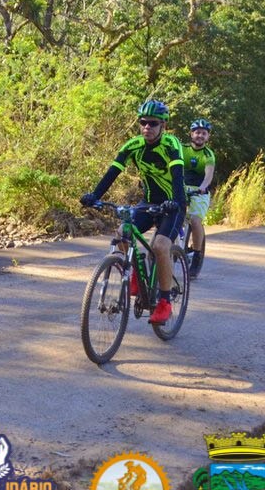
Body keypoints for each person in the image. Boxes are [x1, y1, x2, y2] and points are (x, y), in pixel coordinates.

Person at [80, 100, 187, 326]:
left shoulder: (171, 144)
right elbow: (112, 172)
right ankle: (136, 274)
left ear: (163, 125)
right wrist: (94, 195)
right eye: (143, 122)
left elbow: (178, 176)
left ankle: (165, 302)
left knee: (160, 246)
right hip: (148, 202)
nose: (147, 127)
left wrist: (175, 202)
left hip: (173, 204)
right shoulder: (133, 146)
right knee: (122, 233)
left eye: (153, 123)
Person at [181, 118, 216, 278]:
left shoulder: (208, 155)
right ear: (191, 134)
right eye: (197, 132)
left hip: (199, 191)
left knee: (195, 220)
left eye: (203, 133)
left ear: (208, 136)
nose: (200, 135)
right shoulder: (182, 149)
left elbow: (208, 175)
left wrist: (203, 187)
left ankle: (196, 255)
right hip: (181, 188)